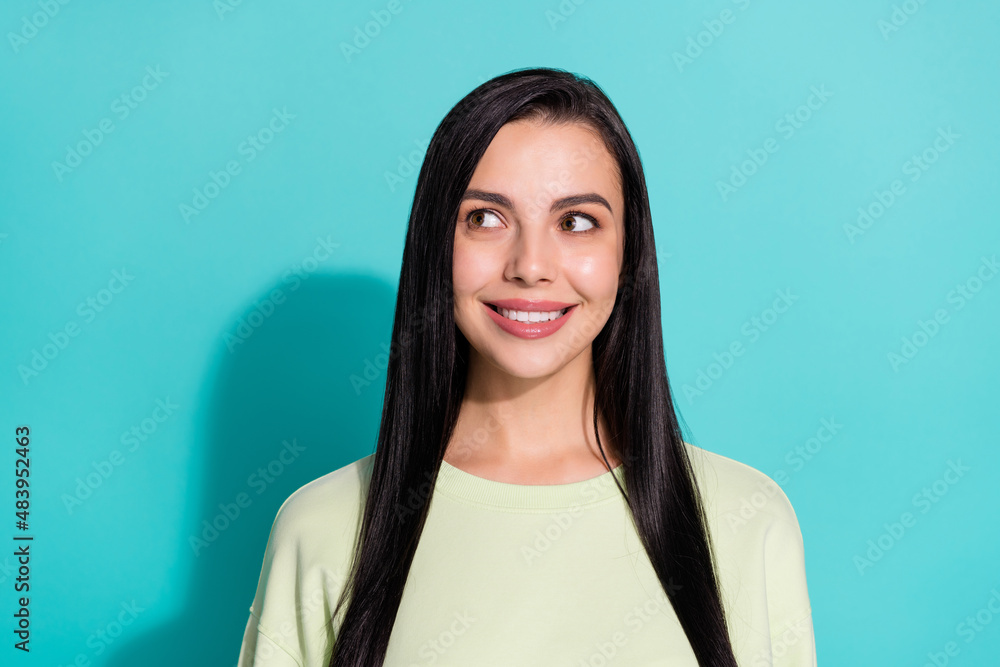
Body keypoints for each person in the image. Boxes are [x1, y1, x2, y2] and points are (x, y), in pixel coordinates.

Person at [237, 67, 816, 666]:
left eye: (576, 222)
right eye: (486, 218)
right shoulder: (323, 527)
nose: (530, 265)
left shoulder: (745, 518)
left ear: (628, 254)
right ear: (436, 245)